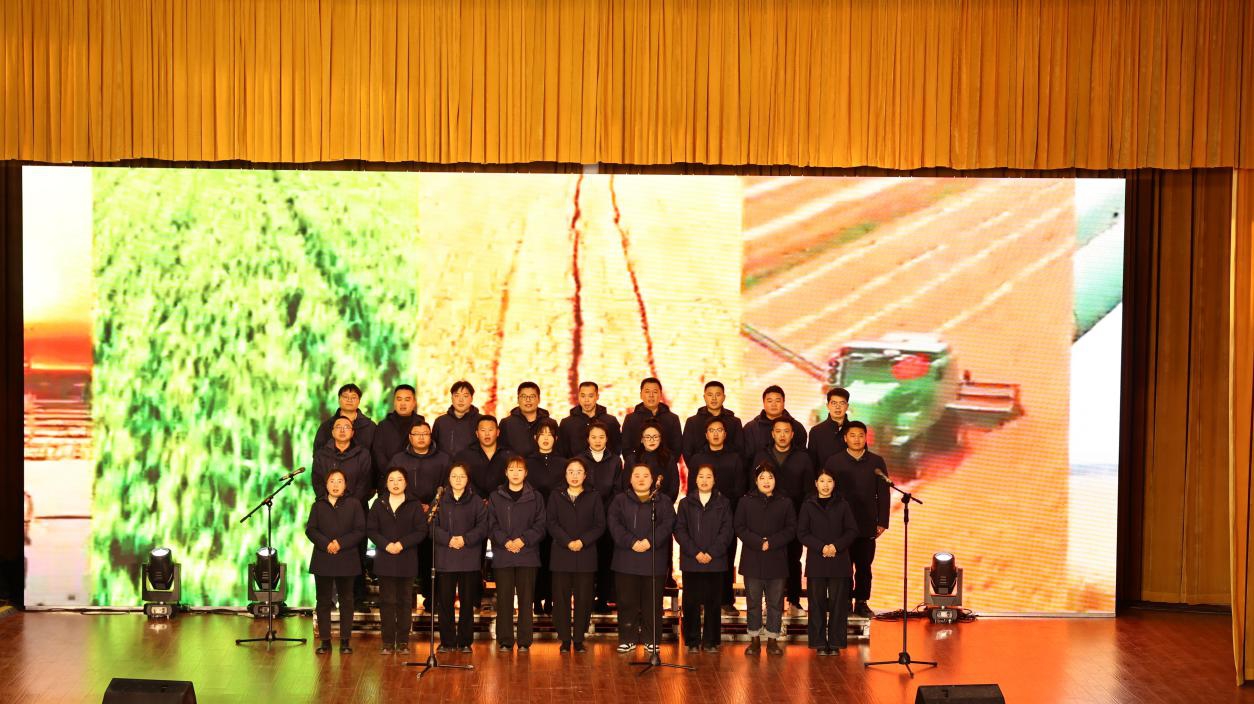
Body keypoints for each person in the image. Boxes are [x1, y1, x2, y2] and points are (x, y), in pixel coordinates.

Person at [823, 421, 889, 618]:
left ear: (866, 437)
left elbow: (883, 493)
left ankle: (861, 601)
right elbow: (826, 492)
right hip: (840, 524)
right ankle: (844, 601)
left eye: (861, 435)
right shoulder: (834, 462)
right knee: (843, 566)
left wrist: (882, 521)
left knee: (864, 567)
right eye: (852, 435)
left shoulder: (876, 461)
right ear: (845, 438)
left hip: (866, 523)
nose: (857, 439)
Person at [608, 463, 675, 654]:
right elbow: (614, 524)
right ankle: (627, 638)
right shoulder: (620, 500)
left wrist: (650, 541)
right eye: (636, 475)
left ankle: (651, 639)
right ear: (630, 479)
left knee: (652, 603)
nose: (641, 479)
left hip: (653, 559)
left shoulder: (662, 501)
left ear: (652, 479)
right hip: (626, 558)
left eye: (645, 475)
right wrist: (631, 542)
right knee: (626, 602)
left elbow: (668, 524)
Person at [751, 418, 815, 616]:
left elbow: (809, 491)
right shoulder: (761, 455)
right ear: (772, 434)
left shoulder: (803, 457)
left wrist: (804, 517)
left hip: (794, 517)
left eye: (786, 431)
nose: (782, 435)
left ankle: (794, 602)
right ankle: (770, 604)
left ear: (792, 434)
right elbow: (753, 485)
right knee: (768, 561)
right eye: (778, 431)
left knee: (794, 560)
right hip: (766, 517)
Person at [387, 420, 449, 611]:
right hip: (406, 516)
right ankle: (403, 601)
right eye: (417, 434)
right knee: (407, 557)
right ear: (410, 437)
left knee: (432, 558)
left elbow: (447, 486)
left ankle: (432, 599)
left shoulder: (443, 459)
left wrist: (431, 506)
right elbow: (392, 485)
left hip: (435, 516)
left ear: (431, 436)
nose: (421, 437)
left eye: (425, 434)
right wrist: (415, 505)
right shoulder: (399, 459)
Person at [687, 417, 747, 615]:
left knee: (726, 558)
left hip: (726, 516)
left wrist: (727, 511)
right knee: (701, 558)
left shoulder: (735, 458)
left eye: (719, 430)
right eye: (711, 430)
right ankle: (702, 601)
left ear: (725, 434)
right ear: (706, 434)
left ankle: (726, 600)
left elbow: (740, 489)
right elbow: (691, 490)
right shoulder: (697, 458)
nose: (715, 434)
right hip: (701, 516)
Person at [735, 463, 796, 656]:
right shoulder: (745, 501)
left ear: (776, 480)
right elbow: (739, 527)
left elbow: (791, 529)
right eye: (762, 477)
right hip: (752, 560)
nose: (766, 481)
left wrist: (772, 542)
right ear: (756, 481)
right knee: (753, 602)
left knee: (775, 603)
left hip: (777, 560)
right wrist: (758, 542)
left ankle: (772, 640)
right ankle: (754, 640)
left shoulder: (785, 502)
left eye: (770, 477)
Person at [547, 458, 606, 653]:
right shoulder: (556, 495)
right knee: (561, 599)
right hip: (561, 554)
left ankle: (579, 639)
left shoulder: (593, 496)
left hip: (585, 554)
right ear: (565, 475)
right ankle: (565, 639)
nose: (574, 475)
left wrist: (582, 541)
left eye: (579, 472)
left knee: (584, 599)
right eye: (571, 471)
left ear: (585, 475)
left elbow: (600, 525)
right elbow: (551, 523)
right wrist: (567, 541)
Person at [487, 456, 547, 652]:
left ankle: (524, 641)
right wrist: (505, 541)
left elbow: (541, 525)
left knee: (526, 600)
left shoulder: (536, 497)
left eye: (520, 470)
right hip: (503, 554)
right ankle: (505, 640)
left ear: (526, 473)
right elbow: (491, 524)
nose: (515, 473)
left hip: (527, 554)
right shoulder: (496, 496)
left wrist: (523, 540)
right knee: (504, 600)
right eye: (511, 469)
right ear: (506, 472)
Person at [797, 468, 859, 655]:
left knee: (838, 605)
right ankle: (818, 643)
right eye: (822, 481)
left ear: (834, 484)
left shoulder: (843, 505)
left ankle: (835, 643)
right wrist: (822, 547)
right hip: (816, 561)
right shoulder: (808, 505)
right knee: (816, 605)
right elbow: (802, 533)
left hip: (839, 562)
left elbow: (852, 530)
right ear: (816, 483)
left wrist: (835, 547)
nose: (825, 485)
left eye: (829, 481)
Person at [367, 468, 428, 654]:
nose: (395, 483)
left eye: (399, 479)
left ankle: (403, 641)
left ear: (406, 483)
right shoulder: (379, 503)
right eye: (391, 480)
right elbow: (371, 529)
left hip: (406, 559)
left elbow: (421, 530)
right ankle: (387, 642)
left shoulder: (414, 504)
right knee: (386, 602)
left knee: (404, 602)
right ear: (386, 483)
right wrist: (386, 545)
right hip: (385, 559)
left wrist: (402, 544)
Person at [306, 469, 366, 655]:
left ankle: (345, 641)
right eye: (332, 481)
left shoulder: (354, 504)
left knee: (346, 601)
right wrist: (326, 544)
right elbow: (311, 530)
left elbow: (360, 530)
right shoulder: (318, 505)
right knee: (323, 601)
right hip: (323, 558)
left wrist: (340, 543)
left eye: (340, 481)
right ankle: (325, 641)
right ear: (326, 484)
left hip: (347, 558)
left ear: (345, 485)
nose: (335, 484)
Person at [674, 464, 733, 652]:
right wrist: (696, 552)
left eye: (709, 476)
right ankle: (692, 641)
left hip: (716, 561)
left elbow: (727, 531)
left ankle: (711, 641)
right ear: (695, 479)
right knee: (691, 602)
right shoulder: (685, 503)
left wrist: (711, 553)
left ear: (714, 480)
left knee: (713, 603)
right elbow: (680, 530)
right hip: (692, 561)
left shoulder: (723, 503)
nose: (705, 480)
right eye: (701, 476)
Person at [432, 463, 489, 653]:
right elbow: (430, 526)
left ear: (468, 479)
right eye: (454, 476)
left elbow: (483, 526)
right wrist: (448, 539)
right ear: (448, 479)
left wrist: (465, 539)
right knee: (445, 603)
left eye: (462, 476)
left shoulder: (476, 501)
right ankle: (447, 641)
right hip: (445, 558)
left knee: (467, 603)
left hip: (468, 558)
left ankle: (465, 641)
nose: (458, 480)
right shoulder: (439, 499)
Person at [577, 421, 623, 613]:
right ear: (587, 439)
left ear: (607, 439)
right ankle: (585, 601)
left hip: (608, 517)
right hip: (584, 519)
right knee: (587, 562)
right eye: (593, 437)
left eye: (601, 437)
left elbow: (618, 490)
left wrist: (606, 513)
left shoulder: (615, 461)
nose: (597, 441)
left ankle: (603, 599)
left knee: (605, 560)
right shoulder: (579, 460)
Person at [526, 418, 566, 615]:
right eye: (542, 434)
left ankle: (551, 600)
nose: (546, 438)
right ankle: (535, 600)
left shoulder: (564, 463)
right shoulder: (527, 462)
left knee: (554, 561)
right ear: (536, 438)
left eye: (550, 434)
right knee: (535, 560)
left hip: (557, 519)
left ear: (556, 438)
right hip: (533, 519)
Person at [372, 385, 426, 484]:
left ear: (414, 403)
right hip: (389, 480)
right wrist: (392, 475)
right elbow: (378, 454)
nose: (403, 403)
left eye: (407, 400)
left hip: (415, 479)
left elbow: (425, 453)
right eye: (399, 399)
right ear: (394, 402)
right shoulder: (383, 425)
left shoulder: (422, 425)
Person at [312, 416, 373, 503]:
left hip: (355, 506)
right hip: (327, 505)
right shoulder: (321, 455)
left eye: (346, 427)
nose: (342, 430)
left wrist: (350, 505)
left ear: (352, 433)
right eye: (338, 427)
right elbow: (317, 482)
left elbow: (365, 484)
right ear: (332, 432)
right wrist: (329, 502)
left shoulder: (363, 454)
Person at [741, 385, 808, 463]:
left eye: (777, 401)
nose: (774, 404)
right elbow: (746, 458)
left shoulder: (796, 427)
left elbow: (802, 458)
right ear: (763, 403)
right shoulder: (750, 428)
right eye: (770, 401)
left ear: (783, 402)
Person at [681, 380, 743, 465]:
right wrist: (699, 470)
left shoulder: (734, 422)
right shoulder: (692, 422)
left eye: (718, 395)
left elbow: (740, 451)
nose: (714, 398)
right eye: (710, 395)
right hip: (700, 471)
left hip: (728, 469)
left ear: (724, 397)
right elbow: (687, 452)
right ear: (704, 397)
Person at [621, 377, 683, 457]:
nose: (651, 395)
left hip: (666, 464)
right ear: (641, 395)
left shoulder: (672, 419)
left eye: (655, 392)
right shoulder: (631, 419)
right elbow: (626, 448)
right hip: (638, 464)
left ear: (660, 395)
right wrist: (636, 463)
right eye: (647, 392)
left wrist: (667, 462)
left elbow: (677, 448)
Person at [558, 381, 622, 458]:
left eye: (590, 396)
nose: (586, 400)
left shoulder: (610, 421)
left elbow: (616, 450)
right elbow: (561, 453)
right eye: (583, 396)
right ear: (578, 396)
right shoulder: (567, 423)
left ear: (597, 397)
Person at [622, 419, 680, 502]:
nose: (652, 440)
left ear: (661, 439)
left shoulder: (669, 459)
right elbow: (626, 487)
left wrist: (663, 504)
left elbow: (674, 489)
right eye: (647, 437)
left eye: (655, 437)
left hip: (662, 506)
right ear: (641, 439)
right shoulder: (631, 459)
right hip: (635, 506)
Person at [313, 383, 377, 459]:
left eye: (353, 397)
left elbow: (376, 455)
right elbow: (318, 455)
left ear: (359, 401)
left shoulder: (370, 427)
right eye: (345, 397)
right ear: (339, 399)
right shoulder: (326, 426)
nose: (349, 400)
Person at [453, 415, 509, 499]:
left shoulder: (509, 455)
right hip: (472, 501)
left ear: (497, 432)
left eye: (490, 430)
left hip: (502, 501)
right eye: (483, 430)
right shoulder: (464, 456)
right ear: (477, 433)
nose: (487, 434)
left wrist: (496, 499)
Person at [498, 382, 551, 457]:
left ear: (539, 399)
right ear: (518, 399)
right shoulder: (506, 423)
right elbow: (501, 452)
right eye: (524, 396)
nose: (528, 400)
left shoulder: (550, 423)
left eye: (532, 396)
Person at [433, 380, 482, 455]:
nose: (461, 400)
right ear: (451, 398)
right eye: (456, 395)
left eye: (465, 396)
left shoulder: (481, 421)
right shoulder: (440, 422)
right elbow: (433, 448)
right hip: (445, 462)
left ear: (472, 398)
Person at [809, 387, 853, 469]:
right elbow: (812, 464)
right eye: (834, 403)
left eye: (842, 403)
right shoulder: (816, 431)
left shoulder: (855, 430)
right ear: (827, 405)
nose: (837, 407)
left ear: (847, 406)